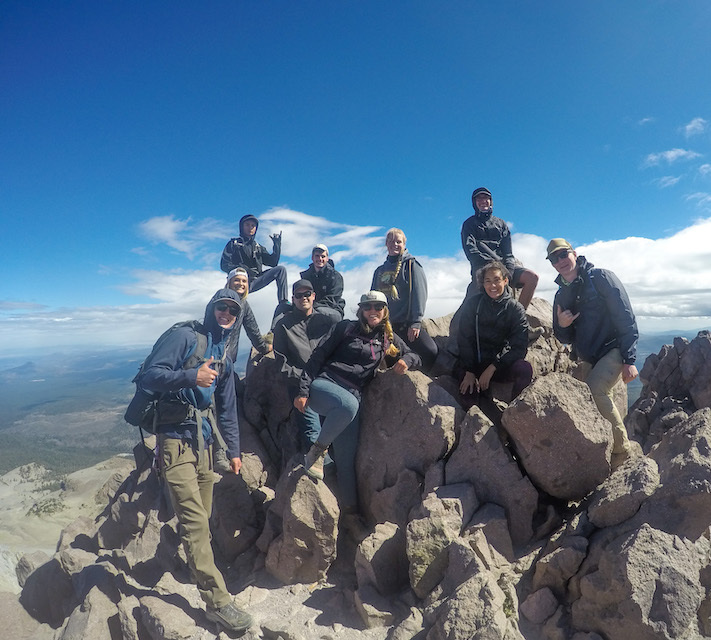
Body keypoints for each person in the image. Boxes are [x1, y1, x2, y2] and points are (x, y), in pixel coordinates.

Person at [138, 289, 252, 635]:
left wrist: (233, 450)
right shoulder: (185, 336)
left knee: (201, 517)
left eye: (233, 310)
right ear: (211, 309)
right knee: (195, 524)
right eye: (222, 306)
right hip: (174, 442)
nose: (226, 313)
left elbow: (227, 406)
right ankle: (218, 602)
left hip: (203, 444)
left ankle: (194, 565)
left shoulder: (223, 354)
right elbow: (148, 376)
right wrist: (191, 377)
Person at [293, 291, 421, 532]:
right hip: (325, 386)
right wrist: (303, 391)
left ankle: (350, 516)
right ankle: (317, 452)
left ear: (385, 311)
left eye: (378, 306)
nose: (373, 310)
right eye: (368, 306)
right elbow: (317, 356)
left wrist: (407, 361)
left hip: (350, 401)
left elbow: (414, 354)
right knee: (348, 405)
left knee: (346, 461)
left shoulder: (387, 337)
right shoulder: (345, 328)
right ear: (361, 309)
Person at [547, 238, 639, 460]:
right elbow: (564, 337)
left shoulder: (600, 278)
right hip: (588, 356)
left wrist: (630, 359)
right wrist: (562, 324)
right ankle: (604, 450)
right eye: (554, 258)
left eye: (563, 254)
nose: (560, 261)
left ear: (574, 253)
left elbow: (625, 316)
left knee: (596, 390)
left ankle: (622, 452)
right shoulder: (561, 295)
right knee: (590, 400)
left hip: (613, 348)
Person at [273, 279, 338, 454]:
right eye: (299, 295)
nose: (303, 298)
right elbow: (281, 364)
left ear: (313, 296)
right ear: (293, 299)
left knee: (338, 428)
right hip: (299, 385)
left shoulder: (326, 321)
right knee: (313, 433)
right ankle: (323, 472)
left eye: (307, 294)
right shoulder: (283, 325)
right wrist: (304, 381)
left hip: (327, 382)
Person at [457, 261, 533, 409]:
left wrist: (493, 367)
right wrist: (470, 370)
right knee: (468, 398)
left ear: (505, 281)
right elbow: (464, 338)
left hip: (499, 366)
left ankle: (514, 415)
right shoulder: (473, 304)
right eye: (488, 281)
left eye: (497, 280)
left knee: (524, 369)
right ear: (482, 284)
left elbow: (519, 346)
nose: (492, 286)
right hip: (473, 366)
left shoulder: (515, 309)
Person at [371, 228, 438, 372]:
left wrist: (416, 322)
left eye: (398, 241)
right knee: (387, 358)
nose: (394, 244)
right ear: (386, 244)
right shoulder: (379, 271)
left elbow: (419, 294)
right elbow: (373, 299)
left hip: (407, 325)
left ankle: (420, 377)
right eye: (390, 241)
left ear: (404, 244)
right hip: (387, 327)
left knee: (430, 351)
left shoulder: (411, 266)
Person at [461, 187, 538, 309]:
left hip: (503, 265)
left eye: (486, 198)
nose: (483, 201)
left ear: (491, 201)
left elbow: (508, 252)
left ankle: (519, 316)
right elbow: (471, 251)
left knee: (532, 278)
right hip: (481, 266)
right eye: (479, 199)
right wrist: (491, 265)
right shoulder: (469, 224)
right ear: (474, 203)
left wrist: (509, 270)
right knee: (480, 294)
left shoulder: (501, 224)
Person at [220, 214, 288, 304]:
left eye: (253, 225)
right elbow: (224, 265)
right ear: (242, 226)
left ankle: (283, 302)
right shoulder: (233, 244)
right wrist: (244, 270)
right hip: (239, 282)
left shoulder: (258, 247)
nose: (250, 228)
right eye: (247, 225)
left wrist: (277, 246)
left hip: (256, 280)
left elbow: (273, 263)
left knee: (281, 269)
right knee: (236, 304)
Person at [299, 244, 345, 321]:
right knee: (285, 308)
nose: (320, 259)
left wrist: (311, 307)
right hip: (309, 308)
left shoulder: (336, 276)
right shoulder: (306, 276)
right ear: (312, 258)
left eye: (323, 256)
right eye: (317, 256)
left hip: (333, 310)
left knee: (318, 312)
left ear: (327, 258)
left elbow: (332, 300)